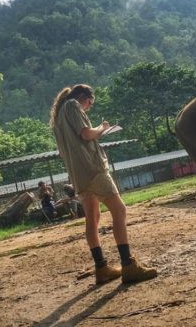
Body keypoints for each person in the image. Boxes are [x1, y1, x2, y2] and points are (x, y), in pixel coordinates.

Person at [49, 84, 157, 285]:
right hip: (93, 169)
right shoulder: (73, 105)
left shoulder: (58, 119)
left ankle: (101, 268)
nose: (89, 108)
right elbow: (86, 134)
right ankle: (128, 265)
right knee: (120, 210)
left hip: (78, 174)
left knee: (92, 218)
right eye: (90, 103)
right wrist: (102, 128)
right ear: (83, 97)